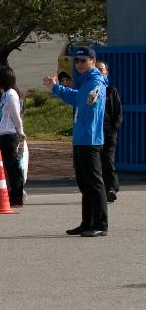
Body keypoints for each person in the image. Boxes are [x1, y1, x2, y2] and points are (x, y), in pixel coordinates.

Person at [45, 47, 109, 237]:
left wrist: (92, 99)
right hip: (81, 137)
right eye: (77, 61)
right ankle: (87, 222)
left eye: (83, 60)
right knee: (84, 182)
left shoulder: (95, 80)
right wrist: (55, 87)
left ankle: (100, 224)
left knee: (94, 183)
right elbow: (76, 98)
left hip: (90, 139)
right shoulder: (85, 81)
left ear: (92, 61)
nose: (79, 64)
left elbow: (90, 98)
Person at [0, 67, 26, 208]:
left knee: (13, 167)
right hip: (3, 133)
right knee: (9, 166)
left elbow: (15, 115)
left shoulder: (11, 94)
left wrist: (20, 131)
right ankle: (14, 193)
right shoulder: (5, 94)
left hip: (10, 134)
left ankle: (17, 196)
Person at [96, 60, 121, 203]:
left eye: (102, 69)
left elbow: (118, 113)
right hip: (94, 132)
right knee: (96, 162)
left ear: (106, 72)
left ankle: (111, 188)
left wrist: (114, 127)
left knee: (108, 159)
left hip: (108, 131)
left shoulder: (111, 91)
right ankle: (100, 189)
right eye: (97, 69)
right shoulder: (91, 88)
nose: (99, 72)